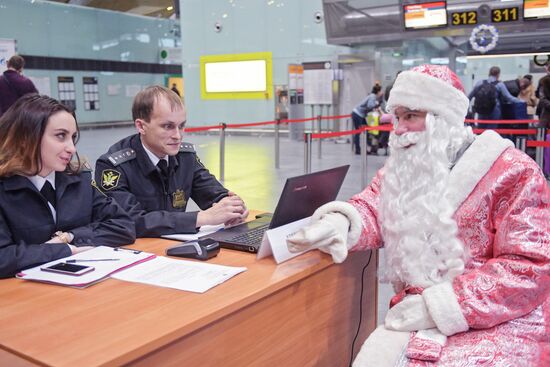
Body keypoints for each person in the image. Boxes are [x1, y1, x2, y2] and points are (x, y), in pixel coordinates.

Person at [287, 65, 549, 366]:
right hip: (416, 311)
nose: (398, 129)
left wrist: (440, 307)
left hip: (502, 320)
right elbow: (375, 204)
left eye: (410, 116)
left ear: (443, 118)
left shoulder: (513, 171)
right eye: (396, 117)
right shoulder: (407, 167)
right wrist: (342, 222)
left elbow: (530, 266)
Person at [0, 94, 136, 278]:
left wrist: (69, 237)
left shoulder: (79, 180)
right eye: (60, 136)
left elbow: (123, 226)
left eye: (72, 137)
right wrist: (64, 251)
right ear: (26, 137)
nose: (72, 148)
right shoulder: (5, 189)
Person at [95, 86, 248, 238]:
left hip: (176, 247)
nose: (178, 136)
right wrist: (201, 218)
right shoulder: (114, 166)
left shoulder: (185, 157)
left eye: (181, 126)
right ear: (141, 126)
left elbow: (211, 192)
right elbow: (129, 221)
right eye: (168, 126)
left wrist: (232, 206)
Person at [351, 84, 383, 155]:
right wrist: (376, 105)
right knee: (358, 132)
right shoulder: (373, 96)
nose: (382, 92)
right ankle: (358, 150)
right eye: (381, 91)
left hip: (360, 115)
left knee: (367, 131)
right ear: (378, 91)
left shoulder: (372, 96)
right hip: (358, 114)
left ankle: (369, 148)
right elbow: (370, 105)